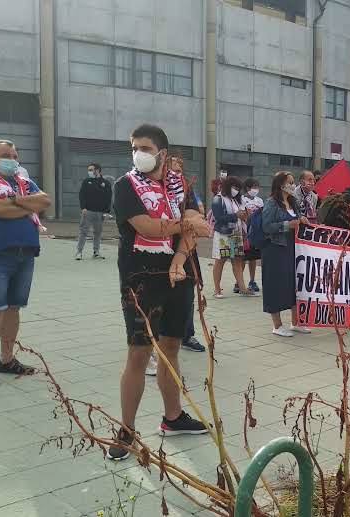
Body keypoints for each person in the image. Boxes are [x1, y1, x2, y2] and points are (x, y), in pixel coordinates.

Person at [108, 124, 212, 461]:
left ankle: (172, 417)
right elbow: (148, 227)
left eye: (146, 147)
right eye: (134, 147)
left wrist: (180, 257)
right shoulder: (126, 186)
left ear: (163, 153)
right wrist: (186, 224)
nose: (139, 153)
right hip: (141, 279)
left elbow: (197, 222)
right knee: (139, 353)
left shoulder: (180, 184)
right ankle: (126, 429)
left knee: (171, 347)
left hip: (178, 274)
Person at [0, 139, 51, 387]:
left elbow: (44, 201)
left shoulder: (23, 183)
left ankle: (6, 359)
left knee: (13, 308)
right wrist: (25, 205)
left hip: (25, 254)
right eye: (5, 155)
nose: (11, 159)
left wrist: (12, 201)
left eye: (15, 155)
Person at [259, 172, 311, 337]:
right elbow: (266, 227)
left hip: (292, 248)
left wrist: (302, 219)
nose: (292, 185)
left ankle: (296, 322)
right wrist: (287, 225)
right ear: (281, 185)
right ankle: (277, 325)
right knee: (275, 285)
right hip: (275, 249)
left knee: (293, 284)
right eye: (290, 182)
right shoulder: (271, 203)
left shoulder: (292, 202)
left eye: (293, 181)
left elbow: (297, 217)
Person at [167, 155, 205, 355]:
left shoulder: (186, 188)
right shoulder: (153, 187)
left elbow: (197, 216)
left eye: (181, 164)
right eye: (174, 162)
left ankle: (186, 334)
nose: (178, 166)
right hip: (161, 248)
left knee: (187, 293)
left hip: (186, 248)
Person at [211, 176, 254, 298]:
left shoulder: (237, 200)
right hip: (223, 235)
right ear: (228, 186)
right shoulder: (218, 199)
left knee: (238, 261)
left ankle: (242, 288)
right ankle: (217, 289)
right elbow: (218, 218)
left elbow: (241, 216)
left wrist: (245, 215)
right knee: (220, 261)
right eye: (235, 187)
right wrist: (236, 215)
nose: (236, 190)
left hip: (236, 234)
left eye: (238, 188)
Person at [76, 162, 112, 260]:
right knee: (83, 232)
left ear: (97, 170)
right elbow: (82, 195)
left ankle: (96, 252)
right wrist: (83, 208)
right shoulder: (86, 182)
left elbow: (108, 198)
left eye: (91, 170)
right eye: (89, 170)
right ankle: (79, 252)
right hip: (88, 212)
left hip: (100, 213)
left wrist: (107, 212)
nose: (89, 172)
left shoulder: (106, 183)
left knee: (97, 233)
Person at [241, 178, 264, 293]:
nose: (256, 189)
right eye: (253, 187)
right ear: (247, 188)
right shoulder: (241, 200)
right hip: (244, 232)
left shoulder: (259, 201)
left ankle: (252, 280)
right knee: (241, 258)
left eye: (257, 186)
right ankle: (239, 282)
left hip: (255, 232)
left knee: (253, 258)